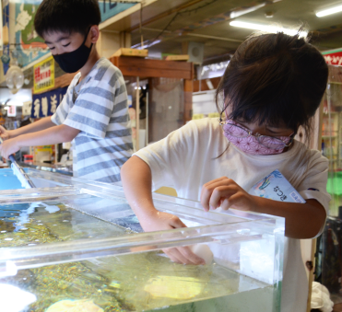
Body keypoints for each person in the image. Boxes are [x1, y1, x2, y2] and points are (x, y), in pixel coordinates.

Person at [121, 32, 330, 312]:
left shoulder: (307, 162)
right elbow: (135, 166)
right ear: (226, 94)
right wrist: (149, 216)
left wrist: (253, 203)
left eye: (271, 129)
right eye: (240, 119)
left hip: (271, 298)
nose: (251, 135)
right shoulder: (201, 135)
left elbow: (312, 222)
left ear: (301, 120)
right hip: (202, 290)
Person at [0, 0, 132, 183]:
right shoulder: (78, 81)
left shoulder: (105, 75)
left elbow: (66, 132)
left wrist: (17, 142)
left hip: (115, 189)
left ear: (92, 34)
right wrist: (11, 134)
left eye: (65, 43)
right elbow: (55, 120)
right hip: (92, 188)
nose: (60, 53)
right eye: (52, 47)